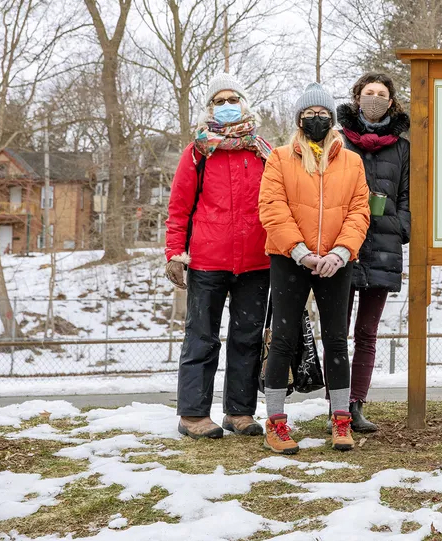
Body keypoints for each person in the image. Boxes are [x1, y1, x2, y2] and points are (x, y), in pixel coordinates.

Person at [258, 83, 371, 454]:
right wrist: (301, 252)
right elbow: (272, 208)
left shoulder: (352, 161)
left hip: (338, 261)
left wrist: (340, 252)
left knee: (337, 339)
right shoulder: (279, 158)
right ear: (299, 120)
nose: (316, 119)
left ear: (332, 119)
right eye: (309, 115)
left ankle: (340, 419)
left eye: (323, 114)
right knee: (284, 339)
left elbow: (359, 211)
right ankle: (275, 422)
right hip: (290, 258)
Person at [166, 73, 272, 440]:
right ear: (209, 109)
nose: (227, 106)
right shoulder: (198, 152)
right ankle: (193, 414)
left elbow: (278, 204)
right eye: (219, 101)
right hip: (208, 262)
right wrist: (175, 253)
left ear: (245, 104)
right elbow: (179, 207)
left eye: (233, 99)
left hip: (257, 263)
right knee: (202, 337)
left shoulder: (263, 151)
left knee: (248, 338)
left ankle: (239, 412)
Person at [336, 73, 410, 433]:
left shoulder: (402, 147)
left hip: (383, 245)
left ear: (392, 101)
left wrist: (401, 228)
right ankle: (336, 407)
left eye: (382, 94)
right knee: (337, 330)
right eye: (369, 93)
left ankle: (356, 403)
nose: (375, 99)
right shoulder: (338, 141)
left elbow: (408, 194)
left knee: (366, 332)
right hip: (341, 246)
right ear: (356, 97)